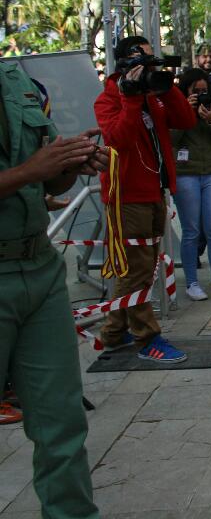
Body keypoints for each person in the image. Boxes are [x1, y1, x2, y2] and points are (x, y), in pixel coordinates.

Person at [0, 61, 108, 517]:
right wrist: (28, 172)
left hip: (41, 268)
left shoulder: (18, 80)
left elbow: (48, 177)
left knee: (61, 425)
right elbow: (29, 171)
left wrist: (71, 163)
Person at [95, 35, 195, 362]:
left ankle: (112, 332)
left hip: (154, 192)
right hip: (126, 196)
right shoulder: (109, 98)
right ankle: (146, 338)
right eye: (142, 60)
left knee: (144, 268)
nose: (148, 66)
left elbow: (185, 120)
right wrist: (131, 98)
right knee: (137, 270)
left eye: (151, 59)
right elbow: (117, 140)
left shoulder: (153, 94)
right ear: (123, 63)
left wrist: (166, 87)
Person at [171, 68, 211, 302]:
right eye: (195, 91)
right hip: (186, 173)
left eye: (204, 90)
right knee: (191, 231)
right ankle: (192, 283)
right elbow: (171, 140)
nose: (200, 94)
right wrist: (186, 112)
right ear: (186, 91)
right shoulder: (177, 109)